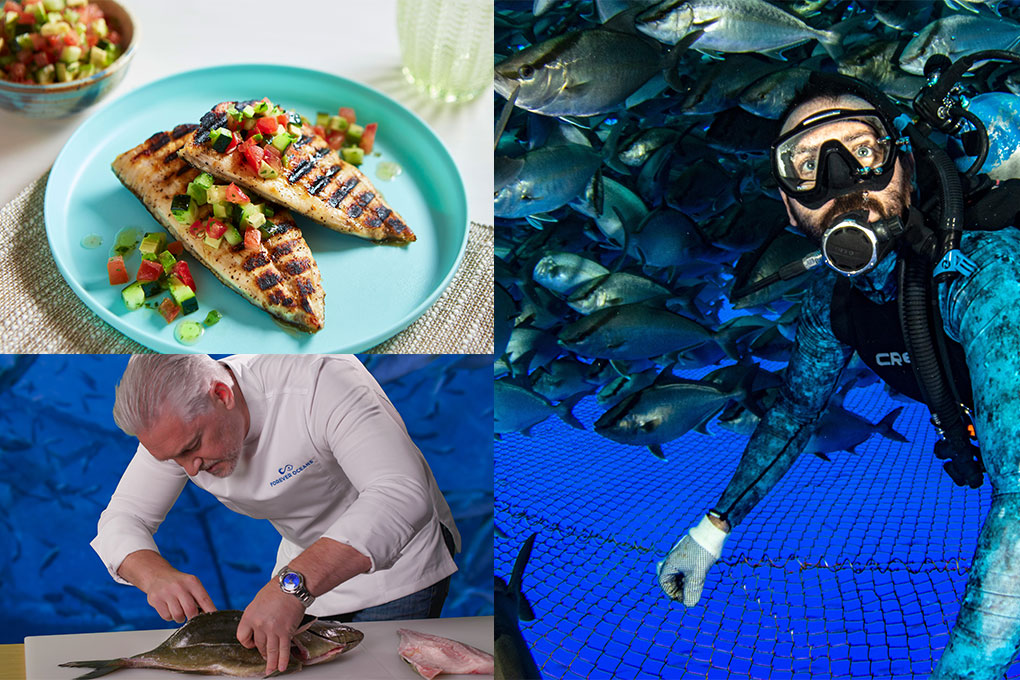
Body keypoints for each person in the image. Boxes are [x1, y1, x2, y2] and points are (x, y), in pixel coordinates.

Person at [656, 73, 1020, 678]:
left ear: (902, 160)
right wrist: (712, 531)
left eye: (863, 150)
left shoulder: (985, 273)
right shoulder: (834, 299)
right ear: (787, 202)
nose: (840, 182)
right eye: (805, 165)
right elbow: (797, 411)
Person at [92, 354, 460, 675]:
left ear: (222, 395)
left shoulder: (320, 381)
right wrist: (154, 575)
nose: (190, 470)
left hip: (397, 567)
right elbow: (123, 518)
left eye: (193, 448)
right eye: (174, 459)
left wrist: (291, 586)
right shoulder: (176, 428)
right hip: (296, 572)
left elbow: (401, 495)